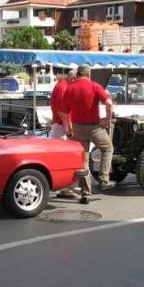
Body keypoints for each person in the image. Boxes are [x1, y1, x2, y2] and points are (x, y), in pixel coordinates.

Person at [60, 64, 115, 204]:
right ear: (89, 74)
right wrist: (107, 119)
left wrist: (68, 128)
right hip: (94, 127)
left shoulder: (69, 88)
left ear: (78, 74)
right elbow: (109, 104)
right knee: (107, 148)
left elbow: (63, 112)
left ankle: (86, 194)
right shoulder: (95, 86)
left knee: (82, 161)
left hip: (78, 128)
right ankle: (103, 178)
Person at [49, 69, 79, 199]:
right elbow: (62, 111)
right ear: (72, 78)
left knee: (60, 158)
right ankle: (65, 187)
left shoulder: (61, 85)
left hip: (60, 125)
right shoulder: (63, 87)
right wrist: (69, 129)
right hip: (62, 126)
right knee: (64, 159)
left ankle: (64, 187)